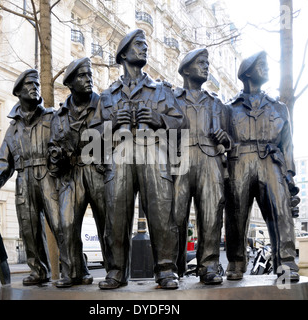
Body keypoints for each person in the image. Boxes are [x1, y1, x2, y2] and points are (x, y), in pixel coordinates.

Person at [94, 29, 186, 290]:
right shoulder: (108, 95)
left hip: (153, 155)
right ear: (123, 54)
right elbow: (92, 134)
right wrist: (111, 124)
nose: (144, 49)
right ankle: (115, 272)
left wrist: (159, 119)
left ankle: (166, 269)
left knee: (161, 213)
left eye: (146, 45)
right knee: (116, 215)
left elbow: (181, 123)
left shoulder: (160, 90)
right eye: (138, 45)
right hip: (119, 157)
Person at [0, 69, 71, 286]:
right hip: (23, 179)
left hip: (49, 177)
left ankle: (71, 270)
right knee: (29, 228)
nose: (35, 87)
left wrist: (61, 157)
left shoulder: (52, 117)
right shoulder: (12, 129)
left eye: (37, 83)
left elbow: (66, 145)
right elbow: (3, 161)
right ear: (18, 91)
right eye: (29, 84)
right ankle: (38, 270)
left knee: (60, 224)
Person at [224, 51, 299, 282]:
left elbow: (288, 146)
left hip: (271, 161)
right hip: (239, 161)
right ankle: (236, 264)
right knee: (236, 215)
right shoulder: (228, 109)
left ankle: (286, 264)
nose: (266, 68)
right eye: (261, 65)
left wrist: (290, 179)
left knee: (280, 213)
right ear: (247, 73)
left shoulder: (279, 108)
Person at [173, 48, 230, 284]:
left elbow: (229, 140)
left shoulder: (216, 104)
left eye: (207, 63)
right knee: (175, 215)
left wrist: (224, 137)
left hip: (210, 161)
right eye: (201, 63)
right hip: (181, 160)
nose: (206, 67)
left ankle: (208, 267)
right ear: (186, 70)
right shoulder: (172, 99)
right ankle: (173, 269)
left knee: (211, 215)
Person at [48, 57, 106, 287]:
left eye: (89, 75)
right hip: (71, 174)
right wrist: (56, 155)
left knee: (108, 224)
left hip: (98, 170)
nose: (88, 79)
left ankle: (115, 272)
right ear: (70, 83)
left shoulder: (104, 106)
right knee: (67, 223)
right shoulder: (59, 115)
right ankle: (73, 272)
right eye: (82, 76)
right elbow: (53, 145)